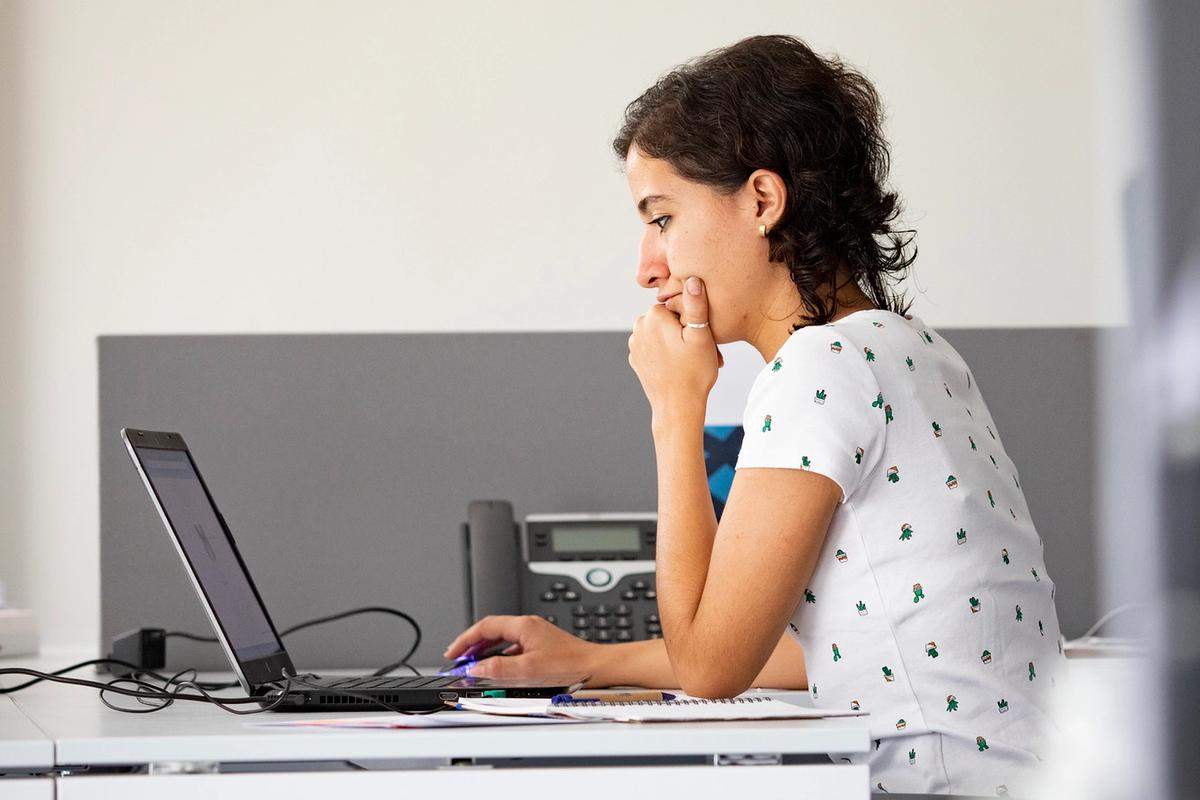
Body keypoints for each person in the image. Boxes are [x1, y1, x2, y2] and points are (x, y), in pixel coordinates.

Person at [444, 34, 1065, 796]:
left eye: (662, 217)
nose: (646, 265)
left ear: (763, 201)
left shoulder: (817, 369)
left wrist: (676, 410)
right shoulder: (911, 350)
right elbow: (818, 647)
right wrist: (591, 658)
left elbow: (711, 668)